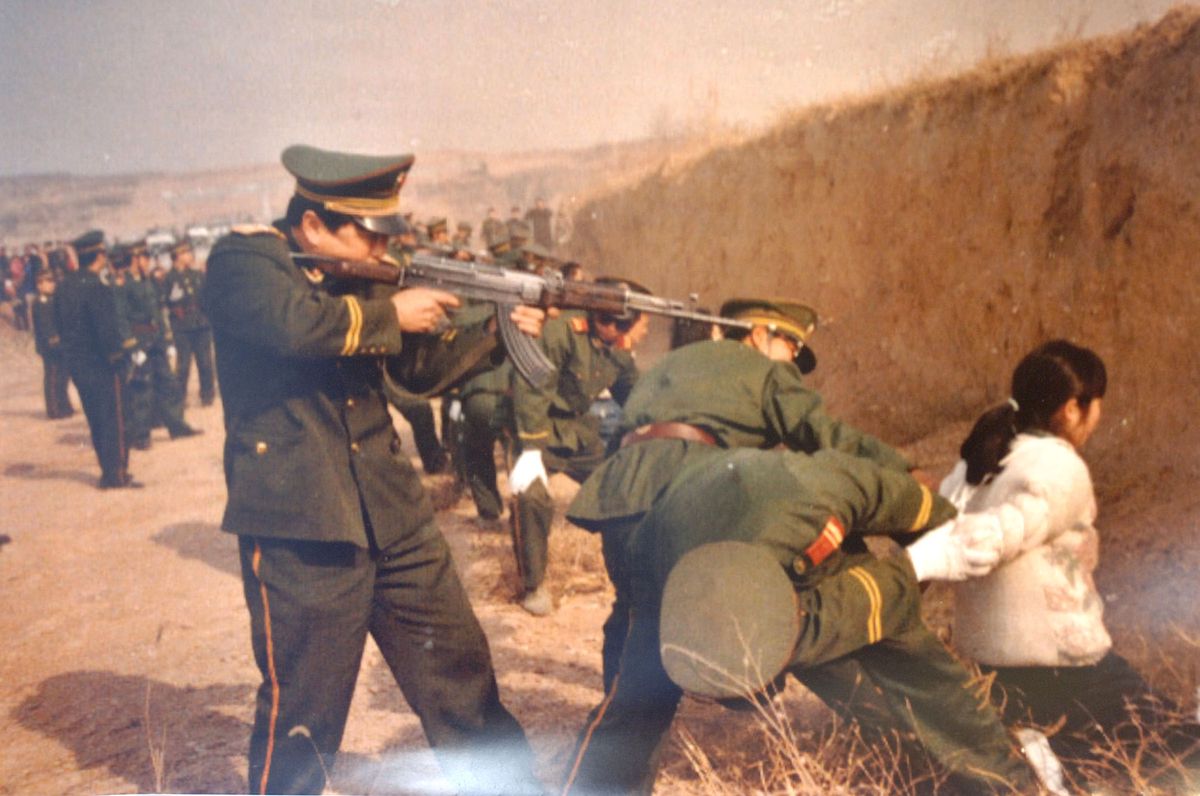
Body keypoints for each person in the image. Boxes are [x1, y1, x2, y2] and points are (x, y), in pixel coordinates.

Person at [200, 144, 544, 795]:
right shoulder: (245, 262)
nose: (382, 249)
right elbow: (296, 327)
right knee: (305, 714)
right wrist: (394, 312)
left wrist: (499, 330)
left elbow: (416, 374)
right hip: (305, 524)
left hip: (394, 516)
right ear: (313, 226)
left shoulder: (359, 273)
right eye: (368, 233)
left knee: (461, 680)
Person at [562, 446, 1032, 794]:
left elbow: (917, 515)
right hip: (684, 531)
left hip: (798, 532)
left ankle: (997, 782)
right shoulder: (656, 569)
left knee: (905, 655)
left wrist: (937, 556)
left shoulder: (828, 493)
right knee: (638, 701)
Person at [568, 298, 916, 689]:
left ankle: (615, 718)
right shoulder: (763, 370)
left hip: (619, 489)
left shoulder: (673, 363)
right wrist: (903, 474)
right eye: (792, 348)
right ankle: (752, 686)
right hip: (680, 486)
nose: (792, 364)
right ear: (759, 334)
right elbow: (825, 436)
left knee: (634, 611)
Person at [937, 340, 1200, 792]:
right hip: (1062, 668)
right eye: (1095, 404)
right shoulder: (1060, 465)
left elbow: (945, 515)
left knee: (1097, 759)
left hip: (990, 670)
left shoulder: (981, 457)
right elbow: (1010, 527)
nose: (1096, 417)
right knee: (1182, 754)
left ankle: (1049, 764)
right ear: (1072, 409)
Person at [55, 230, 140, 489]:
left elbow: (60, 325)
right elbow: (105, 329)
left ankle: (108, 470)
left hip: (78, 365)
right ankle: (117, 474)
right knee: (114, 419)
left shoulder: (64, 287)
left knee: (96, 420)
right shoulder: (96, 287)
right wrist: (119, 357)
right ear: (98, 255)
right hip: (103, 364)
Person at [114, 241, 200, 449]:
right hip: (139, 342)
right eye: (145, 258)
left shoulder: (148, 281)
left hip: (156, 341)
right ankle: (141, 436)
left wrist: (167, 340)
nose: (149, 262)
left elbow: (157, 313)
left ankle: (177, 427)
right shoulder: (123, 285)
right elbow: (121, 318)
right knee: (141, 390)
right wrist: (132, 347)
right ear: (135, 259)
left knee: (169, 385)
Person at [163, 239, 217, 407]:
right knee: (183, 365)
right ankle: (180, 398)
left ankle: (207, 395)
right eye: (186, 253)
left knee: (205, 362)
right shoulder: (168, 278)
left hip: (201, 324)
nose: (190, 255)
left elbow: (206, 296)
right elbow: (164, 301)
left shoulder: (197, 275)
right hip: (181, 326)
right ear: (177, 256)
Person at [30, 268, 74, 419]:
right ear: (39, 285)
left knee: (63, 376)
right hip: (49, 345)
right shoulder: (39, 302)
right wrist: (53, 339)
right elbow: (45, 325)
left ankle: (65, 405)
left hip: (59, 343)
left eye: (52, 281)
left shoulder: (53, 299)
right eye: (47, 282)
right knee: (53, 376)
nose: (51, 285)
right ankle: (54, 409)